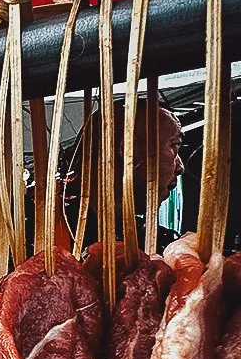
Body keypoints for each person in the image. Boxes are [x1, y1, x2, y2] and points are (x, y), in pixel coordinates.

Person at [55, 97, 185, 252]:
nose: (180, 168)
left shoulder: (159, 243)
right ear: (128, 150)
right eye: (174, 146)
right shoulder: (43, 232)